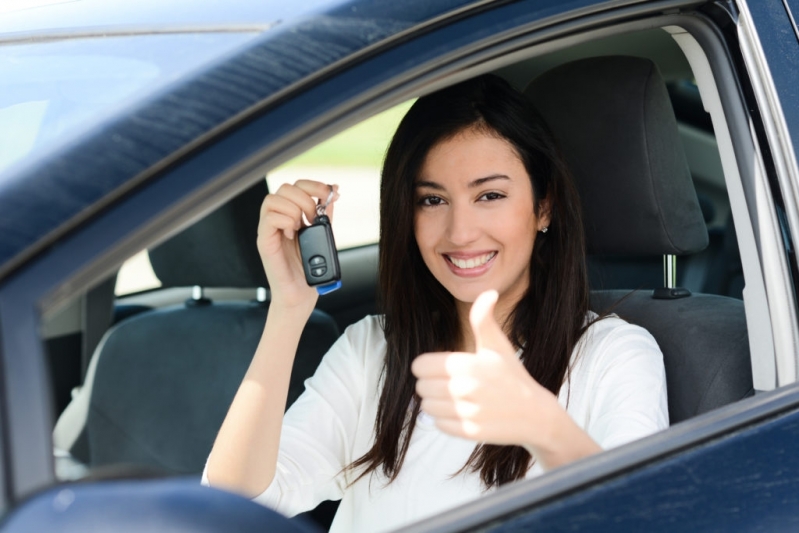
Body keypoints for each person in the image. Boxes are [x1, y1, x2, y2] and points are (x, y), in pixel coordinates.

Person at [203, 75, 668, 532]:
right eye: (432, 200)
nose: (460, 232)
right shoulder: (372, 351)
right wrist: (288, 309)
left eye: (489, 195)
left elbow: (644, 521)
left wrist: (544, 427)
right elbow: (233, 505)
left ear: (543, 207)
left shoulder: (614, 355)